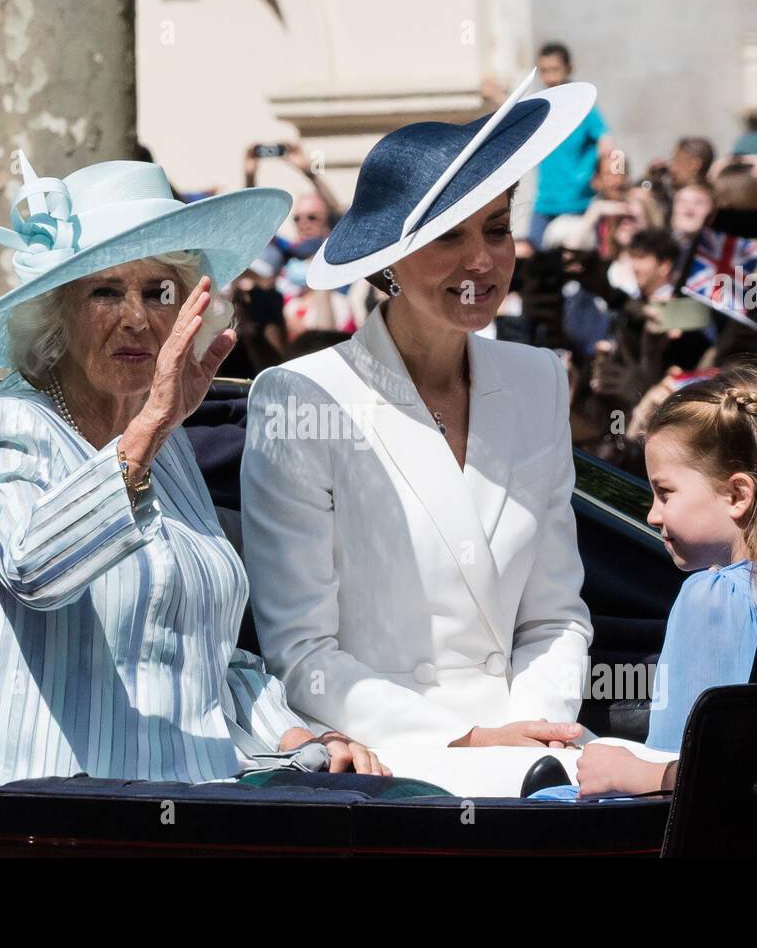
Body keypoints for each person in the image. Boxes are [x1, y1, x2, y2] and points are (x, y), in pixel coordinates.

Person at [0, 152, 383, 785]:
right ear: (56, 310)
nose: (136, 318)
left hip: (207, 790)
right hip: (64, 804)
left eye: (158, 292)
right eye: (105, 291)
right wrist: (148, 432)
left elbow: (202, 654)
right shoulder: (9, 427)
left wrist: (302, 733)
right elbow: (35, 569)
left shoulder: (163, 446)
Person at [241, 72, 599, 797]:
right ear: (389, 261)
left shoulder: (536, 379)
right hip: (391, 767)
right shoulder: (300, 396)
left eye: (497, 229)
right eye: (448, 237)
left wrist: (532, 733)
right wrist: (466, 740)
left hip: (540, 762)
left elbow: (557, 615)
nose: (481, 262)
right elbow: (302, 652)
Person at [575, 366, 757, 796]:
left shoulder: (713, 597)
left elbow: (720, 777)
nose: (652, 515)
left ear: (737, 495)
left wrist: (629, 773)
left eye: (665, 492)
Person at [528, 42, 613, 250]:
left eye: (555, 69)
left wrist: (609, 175)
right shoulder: (541, 107)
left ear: (568, 69)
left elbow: (608, 142)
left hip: (579, 203)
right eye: (544, 71)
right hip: (545, 202)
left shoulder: (582, 106)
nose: (550, 77)